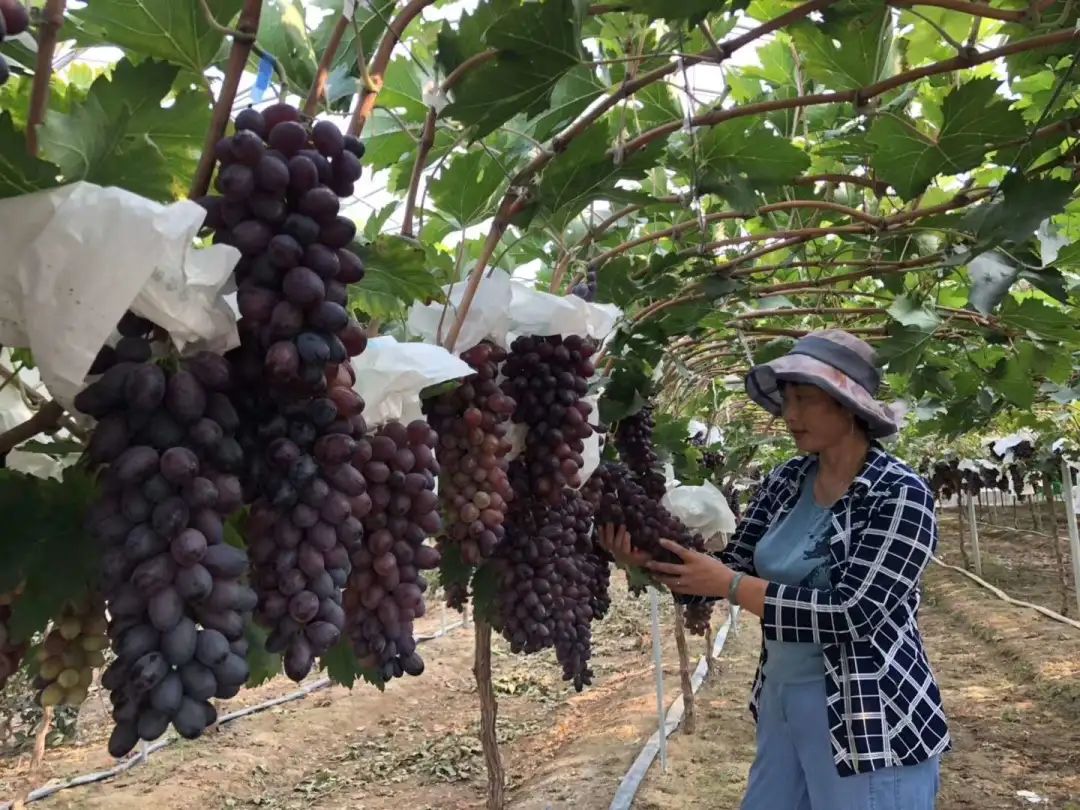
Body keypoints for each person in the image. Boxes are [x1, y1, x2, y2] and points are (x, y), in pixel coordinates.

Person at [599, 329, 950, 810]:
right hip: (782, 698)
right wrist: (648, 564)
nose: (790, 415)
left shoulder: (899, 493)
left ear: (849, 407)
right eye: (786, 400)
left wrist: (731, 583)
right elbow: (728, 569)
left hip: (868, 711)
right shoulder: (787, 480)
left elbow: (856, 612)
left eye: (805, 399)